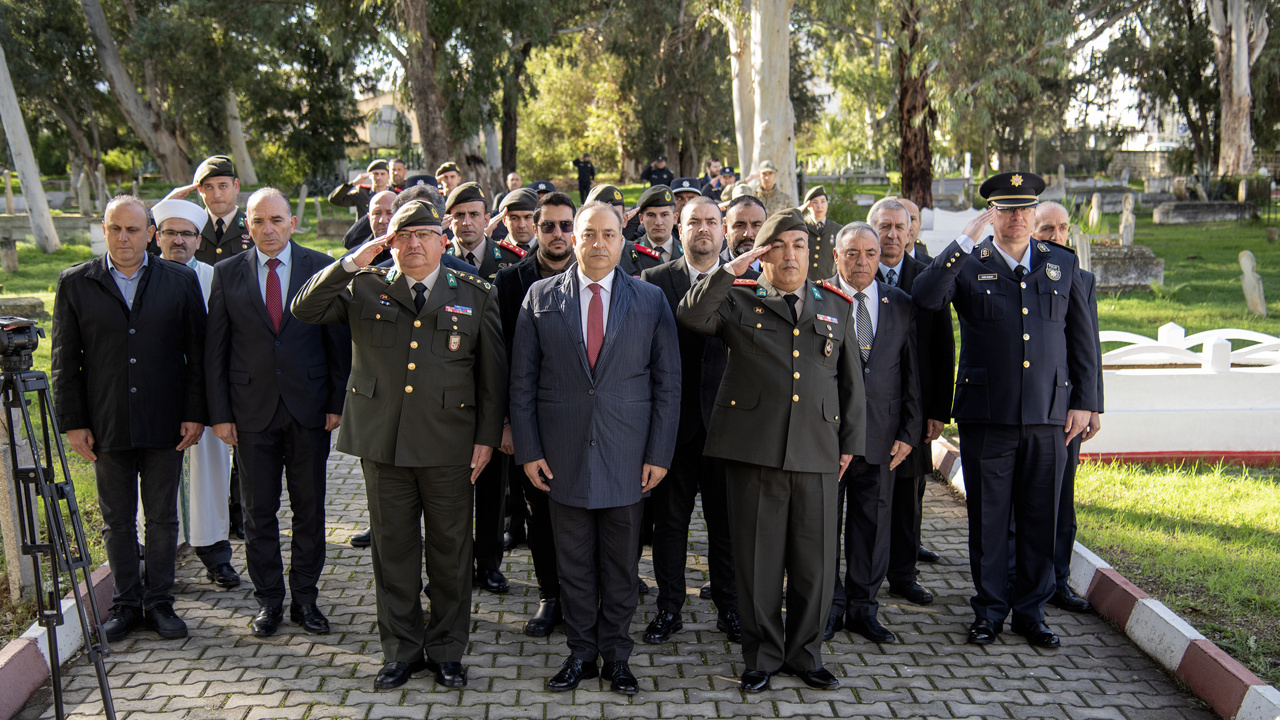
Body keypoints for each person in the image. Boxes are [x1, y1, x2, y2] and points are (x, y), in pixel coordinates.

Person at [293, 199, 505, 690]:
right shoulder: (364, 286)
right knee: (393, 551)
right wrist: (351, 261)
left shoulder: (474, 293)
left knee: (452, 552)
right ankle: (402, 649)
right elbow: (305, 309)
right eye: (402, 236)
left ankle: (448, 649)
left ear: (442, 240)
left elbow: (492, 374)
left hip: (450, 444)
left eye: (424, 234)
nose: (413, 244)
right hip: (383, 443)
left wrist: (487, 439)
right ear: (389, 241)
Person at [677, 208, 866, 693]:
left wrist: (850, 445)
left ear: (811, 252)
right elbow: (692, 314)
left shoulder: (834, 304)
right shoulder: (739, 298)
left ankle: (806, 654)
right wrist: (731, 268)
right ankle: (761, 657)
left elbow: (851, 384)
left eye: (799, 245)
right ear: (762, 253)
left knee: (816, 565)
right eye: (778, 246)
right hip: (754, 451)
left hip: (818, 451)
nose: (790, 255)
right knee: (758, 564)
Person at [911, 172, 1099, 649]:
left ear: (1035, 214)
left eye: (1024, 209)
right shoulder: (969, 262)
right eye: (1005, 209)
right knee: (990, 518)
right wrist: (962, 240)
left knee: (1041, 515)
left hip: (1049, 416)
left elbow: (1083, 340)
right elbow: (927, 298)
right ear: (990, 214)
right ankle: (990, 610)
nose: (1016, 218)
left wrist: (1086, 402)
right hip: (987, 415)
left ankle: (1032, 613)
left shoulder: (1061, 263)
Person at [509, 201, 680, 695]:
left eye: (608, 234)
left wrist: (659, 453)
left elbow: (668, 385)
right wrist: (529, 449)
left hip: (628, 457)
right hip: (561, 458)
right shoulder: (540, 296)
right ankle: (581, 654)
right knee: (574, 565)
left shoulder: (648, 300)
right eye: (588, 234)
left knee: (622, 565)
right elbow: (522, 382)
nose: (598, 243)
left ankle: (617, 657)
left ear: (622, 240)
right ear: (574, 239)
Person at [52, 195, 207, 642]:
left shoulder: (179, 281)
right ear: (104, 230)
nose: (124, 237)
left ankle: (159, 603)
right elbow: (66, 361)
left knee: (162, 518)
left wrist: (195, 414)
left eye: (134, 230)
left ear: (151, 234)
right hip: (106, 423)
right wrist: (74, 422)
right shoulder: (76, 284)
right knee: (116, 519)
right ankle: (124, 604)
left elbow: (196, 355)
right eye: (116, 228)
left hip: (165, 421)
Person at [205, 188, 351, 639]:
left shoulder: (319, 267)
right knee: (257, 512)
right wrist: (220, 414)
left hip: (309, 410)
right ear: (246, 226)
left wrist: (335, 402)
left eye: (276, 220)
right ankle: (269, 600)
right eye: (258, 221)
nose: (267, 229)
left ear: (291, 222)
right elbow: (217, 350)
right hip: (250, 414)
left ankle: (305, 599)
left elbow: (337, 342)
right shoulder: (226, 273)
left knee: (309, 511)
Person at [638, 196, 746, 645]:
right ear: (679, 230)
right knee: (669, 526)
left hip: (731, 427)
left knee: (727, 526)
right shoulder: (651, 281)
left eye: (712, 222)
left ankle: (730, 607)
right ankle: (669, 608)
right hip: (672, 429)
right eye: (694, 222)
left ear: (723, 231)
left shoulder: (748, 282)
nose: (703, 229)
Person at [825, 221, 921, 644]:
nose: (861, 262)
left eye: (870, 253)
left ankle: (864, 609)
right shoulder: (816, 297)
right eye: (852, 253)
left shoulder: (899, 302)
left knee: (872, 526)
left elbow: (911, 373)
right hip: (827, 438)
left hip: (882, 439)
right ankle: (828, 608)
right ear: (836, 255)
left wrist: (909, 429)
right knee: (825, 527)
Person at [493, 191, 578, 636]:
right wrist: (507, 422)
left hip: (584, 423)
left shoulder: (598, 276)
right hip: (530, 422)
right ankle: (551, 596)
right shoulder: (510, 282)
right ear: (534, 229)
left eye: (566, 226)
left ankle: (585, 595)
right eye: (549, 226)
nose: (558, 234)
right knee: (539, 513)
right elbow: (500, 359)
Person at [150, 199, 241, 590]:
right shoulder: (142, 275)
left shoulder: (214, 276)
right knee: (153, 482)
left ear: (198, 239)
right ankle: (152, 558)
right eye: (170, 232)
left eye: (186, 234)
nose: (178, 241)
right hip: (155, 395)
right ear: (157, 237)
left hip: (205, 395)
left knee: (210, 476)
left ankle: (216, 556)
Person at [869, 198, 953, 606]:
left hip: (914, 408)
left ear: (911, 232)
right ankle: (863, 573)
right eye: (884, 227)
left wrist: (938, 410)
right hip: (867, 408)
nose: (892, 235)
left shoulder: (926, 278)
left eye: (900, 227)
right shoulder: (856, 274)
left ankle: (903, 573)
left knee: (908, 494)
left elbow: (943, 348)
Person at [442, 181, 522, 592]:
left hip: (493, 393)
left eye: (474, 214)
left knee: (492, 485)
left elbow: (513, 342)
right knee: (448, 491)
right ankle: (453, 566)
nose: (467, 222)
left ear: (488, 218)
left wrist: (506, 413)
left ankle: (489, 563)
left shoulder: (509, 264)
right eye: (459, 215)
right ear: (448, 221)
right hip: (448, 397)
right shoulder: (436, 260)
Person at [1032, 201, 1103, 614]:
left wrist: (1091, 404)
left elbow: (1087, 346)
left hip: (1066, 412)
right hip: (1025, 409)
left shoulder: (1081, 277)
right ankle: (1018, 582)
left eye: (1062, 229)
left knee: (1062, 501)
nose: (1056, 237)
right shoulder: (1020, 276)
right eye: (1047, 229)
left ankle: (1058, 581)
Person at [586, 184, 662, 276]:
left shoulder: (649, 262)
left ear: (625, 220)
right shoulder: (577, 258)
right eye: (599, 216)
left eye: (614, 215)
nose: (607, 222)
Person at [341, 189, 397, 266]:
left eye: (390, 213)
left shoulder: (412, 254)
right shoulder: (353, 258)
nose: (383, 220)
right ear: (369, 217)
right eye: (377, 213)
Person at [802, 186, 839, 282]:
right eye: (815, 202)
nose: (819, 206)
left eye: (823, 201)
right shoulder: (801, 226)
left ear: (827, 204)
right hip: (804, 281)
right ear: (808, 206)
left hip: (827, 282)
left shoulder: (837, 229)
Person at [635, 185, 682, 260]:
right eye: (651, 215)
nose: (658, 222)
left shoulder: (687, 253)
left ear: (675, 218)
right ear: (641, 219)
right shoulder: (630, 254)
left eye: (664, 215)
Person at [719, 195, 766, 269]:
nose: (748, 234)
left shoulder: (777, 271)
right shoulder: (711, 270)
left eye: (756, 225)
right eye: (739, 226)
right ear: (725, 230)